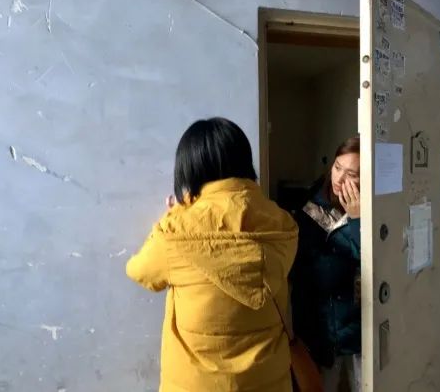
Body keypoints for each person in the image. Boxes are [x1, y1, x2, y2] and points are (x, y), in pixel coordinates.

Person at [126, 117, 298, 392]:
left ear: (189, 169)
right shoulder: (282, 224)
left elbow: (138, 271)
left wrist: (177, 213)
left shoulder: (177, 230)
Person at [290, 136, 362, 392]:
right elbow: (317, 272)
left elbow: (374, 259)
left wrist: (357, 219)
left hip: (359, 326)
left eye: (351, 174)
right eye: (337, 167)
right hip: (323, 327)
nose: (339, 178)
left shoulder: (373, 209)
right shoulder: (313, 207)